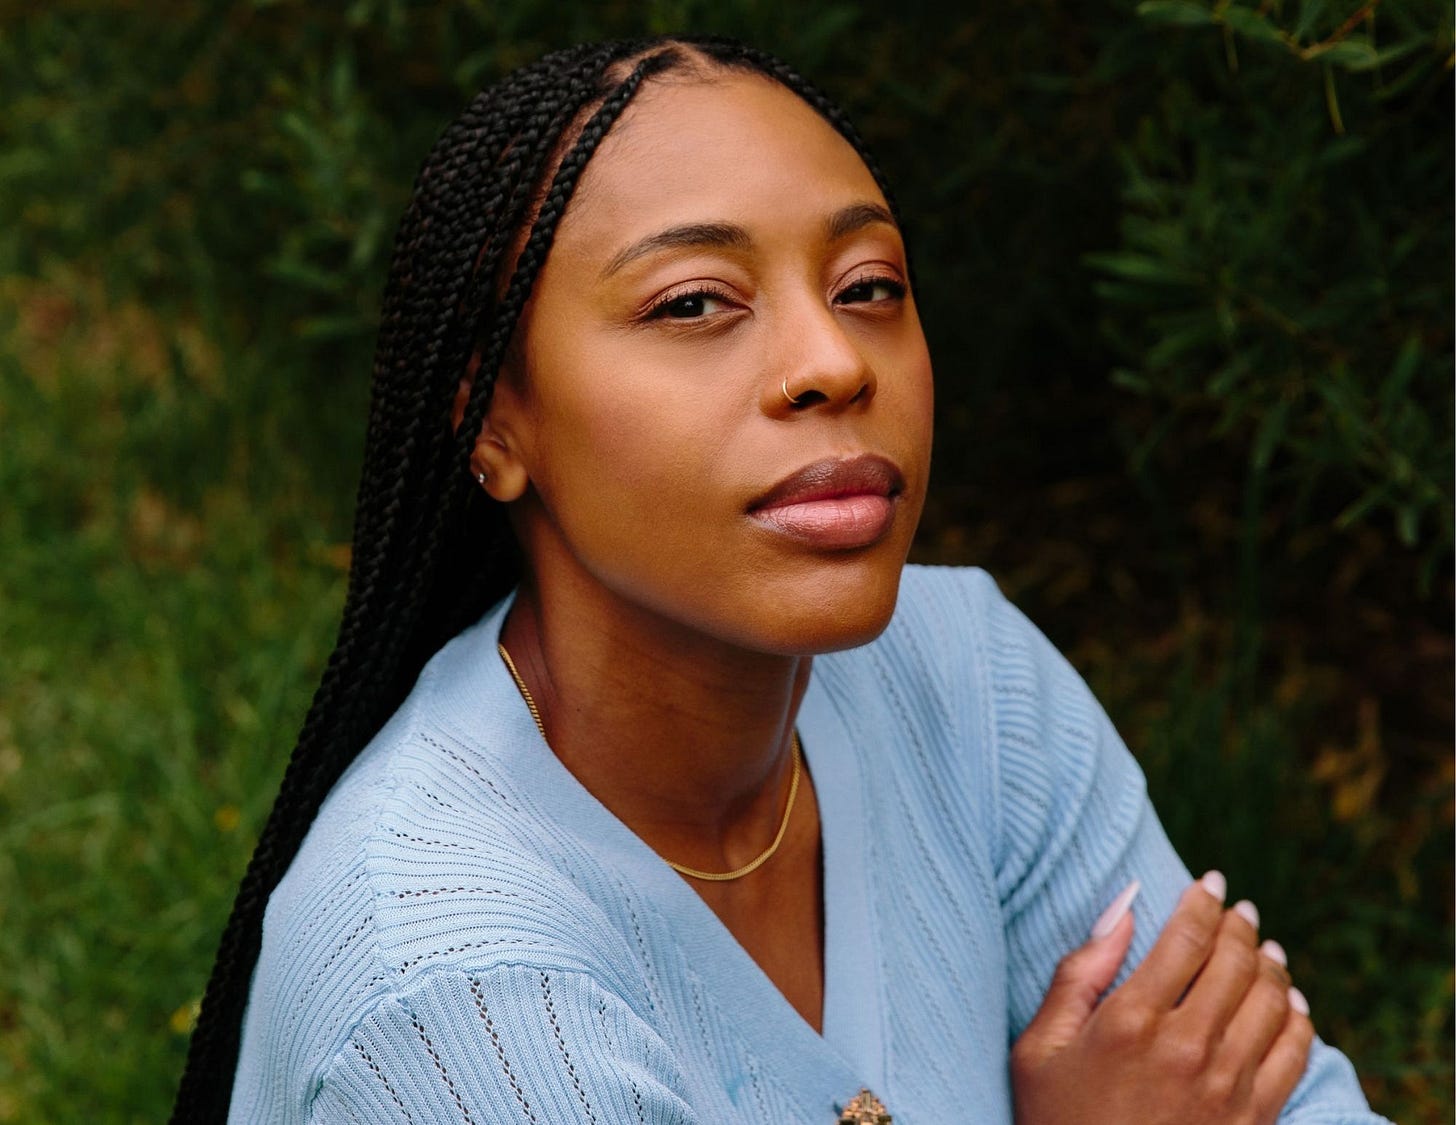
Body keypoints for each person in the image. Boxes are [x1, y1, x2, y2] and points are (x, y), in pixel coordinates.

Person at [172, 35, 1390, 1124]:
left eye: (869, 288)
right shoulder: (458, 1011)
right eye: (695, 302)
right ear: (495, 424)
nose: (830, 361)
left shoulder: (960, 673)